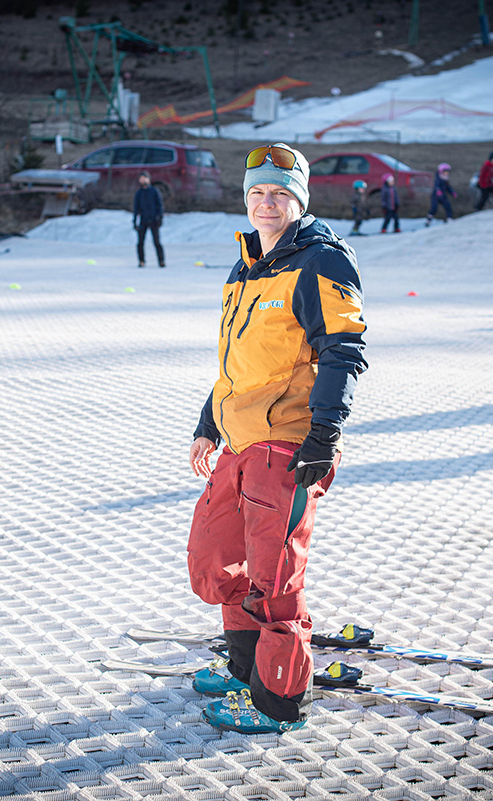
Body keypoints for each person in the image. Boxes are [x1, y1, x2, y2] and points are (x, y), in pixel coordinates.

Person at [187, 143, 367, 734]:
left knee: (274, 578)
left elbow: (344, 350)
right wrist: (210, 422)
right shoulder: (244, 266)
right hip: (238, 441)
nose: (267, 202)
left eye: (280, 193)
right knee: (216, 561)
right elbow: (237, 362)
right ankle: (244, 666)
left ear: (300, 200)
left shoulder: (323, 261)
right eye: (258, 192)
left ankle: (277, 700)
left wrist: (324, 433)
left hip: (288, 444)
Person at [132, 172, 166, 268]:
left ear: (148, 179)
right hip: (143, 220)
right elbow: (136, 208)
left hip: (154, 220)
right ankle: (141, 260)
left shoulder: (154, 191)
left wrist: (160, 218)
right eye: (141, 178)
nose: (143, 180)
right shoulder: (139, 193)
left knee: (157, 242)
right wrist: (135, 221)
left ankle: (161, 260)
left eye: (144, 178)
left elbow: (160, 205)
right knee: (140, 242)